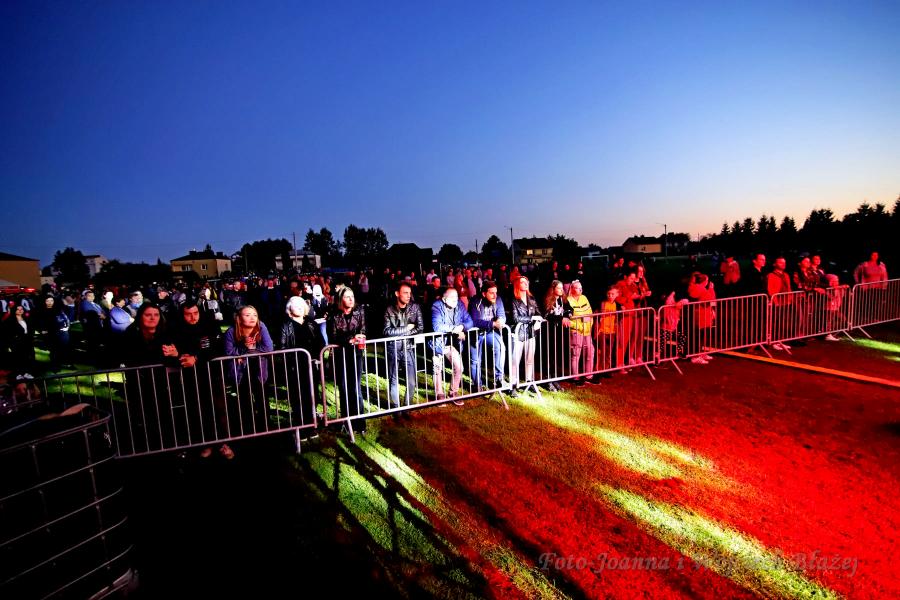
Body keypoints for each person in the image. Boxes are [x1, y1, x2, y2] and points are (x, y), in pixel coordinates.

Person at [172, 301, 228, 458]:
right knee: (197, 410)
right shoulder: (178, 329)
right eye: (188, 314)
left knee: (218, 409)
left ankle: (223, 442)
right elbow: (177, 352)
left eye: (195, 313)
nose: (192, 317)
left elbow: (217, 347)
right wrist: (179, 355)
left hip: (212, 374)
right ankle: (205, 443)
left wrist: (196, 358)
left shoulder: (210, 325)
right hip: (190, 377)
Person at [223, 305, 275, 437]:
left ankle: (266, 428)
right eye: (247, 315)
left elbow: (268, 348)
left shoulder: (261, 327)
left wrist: (250, 350)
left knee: (262, 398)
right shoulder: (231, 331)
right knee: (244, 400)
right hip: (240, 370)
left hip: (259, 368)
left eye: (254, 315)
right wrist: (243, 348)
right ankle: (248, 429)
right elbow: (229, 351)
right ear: (239, 318)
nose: (252, 318)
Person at [327, 287, 368, 434]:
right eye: (347, 297)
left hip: (356, 354)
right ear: (340, 299)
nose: (351, 299)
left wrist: (360, 337)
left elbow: (363, 330)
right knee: (344, 388)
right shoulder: (333, 315)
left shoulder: (360, 311)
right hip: (341, 355)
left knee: (355, 388)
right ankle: (346, 421)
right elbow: (333, 337)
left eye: (352, 296)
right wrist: (350, 339)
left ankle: (360, 423)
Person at [278, 296, 323, 430]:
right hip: (295, 367)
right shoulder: (285, 325)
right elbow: (282, 347)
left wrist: (317, 356)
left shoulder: (311, 323)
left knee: (312, 394)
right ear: (289, 308)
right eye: (295, 304)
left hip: (311, 365)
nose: (299, 307)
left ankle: (311, 423)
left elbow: (321, 342)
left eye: (301, 304)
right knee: (297, 396)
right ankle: (300, 426)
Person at [429, 287, 474, 405]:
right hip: (437, 342)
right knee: (437, 368)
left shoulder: (460, 305)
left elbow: (470, 321)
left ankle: (453, 392)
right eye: (452, 297)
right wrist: (455, 329)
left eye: (456, 296)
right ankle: (439, 394)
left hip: (452, 343)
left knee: (459, 367)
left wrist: (462, 327)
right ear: (444, 299)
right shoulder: (436, 306)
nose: (455, 299)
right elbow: (437, 326)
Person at [468, 281, 507, 392]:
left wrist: (501, 320)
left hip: (490, 331)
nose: (495, 295)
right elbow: (475, 321)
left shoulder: (498, 299)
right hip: (476, 333)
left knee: (500, 347)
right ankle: (477, 384)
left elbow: (502, 314)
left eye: (496, 292)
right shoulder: (475, 301)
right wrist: (493, 324)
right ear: (484, 293)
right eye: (491, 293)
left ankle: (499, 379)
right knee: (475, 360)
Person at [508, 275, 543, 396]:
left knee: (530, 359)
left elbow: (538, 312)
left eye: (527, 281)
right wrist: (532, 318)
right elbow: (515, 318)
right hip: (518, 333)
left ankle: (529, 381)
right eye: (522, 282)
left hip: (531, 333)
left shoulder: (531, 298)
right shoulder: (513, 299)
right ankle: (513, 384)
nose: (526, 283)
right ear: (517, 285)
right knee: (515, 360)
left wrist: (538, 321)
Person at [541, 280, 571, 390]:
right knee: (549, 355)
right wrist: (561, 318)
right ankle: (547, 379)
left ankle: (554, 378)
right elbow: (547, 315)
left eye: (562, 288)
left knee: (556, 355)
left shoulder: (563, 299)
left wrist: (567, 315)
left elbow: (569, 309)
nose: (561, 290)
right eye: (558, 288)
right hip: (549, 331)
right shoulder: (548, 300)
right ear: (553, 289)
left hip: (559, 332)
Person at [566, 280, 595, 385]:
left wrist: (589, 325)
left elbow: (590, 313)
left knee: (590, 352)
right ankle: (575, 377)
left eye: (581, 287)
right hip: (576, 330)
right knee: (576, 354)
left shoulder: (584, 298)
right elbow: (568, 319)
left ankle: (589, 376)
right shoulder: (568, 300)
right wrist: (578, 326)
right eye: (578, 288)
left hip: (587, 330)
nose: (580, 289)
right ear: (572, 289)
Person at [687, 272, 717, 363]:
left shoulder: (693, 287)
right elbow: (711, 300)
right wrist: (711, 289)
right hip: (703, 316)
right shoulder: (702, 290)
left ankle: (700, 353)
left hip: (699, 315)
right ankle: (696, 355)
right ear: (705, 281)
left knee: (699, 336)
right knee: (700, 336)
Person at [2, 304, 36, 378]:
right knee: (18, 358)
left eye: (21, 309)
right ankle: (18, 374)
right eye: (18, 309)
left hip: (27, 341)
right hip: (16, 342)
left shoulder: (26, 319)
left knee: (28, 357)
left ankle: (27, 373)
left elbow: (30, 329)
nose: (20, 310)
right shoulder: (10, 320)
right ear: (14, 310)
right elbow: (6, 333)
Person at [766, 257, 793, 351]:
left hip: (785, 302)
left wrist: (790, 298)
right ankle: (773, 342)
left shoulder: (786, 275)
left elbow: (789, 288)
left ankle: (780, 341)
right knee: (774, 322)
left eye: (784, 262)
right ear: (774, 264)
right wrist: (775, 302)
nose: (783, 264)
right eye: (780, 262)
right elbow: (770, 290)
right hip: (776, 302)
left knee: (782, 323)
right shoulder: (771, 275)